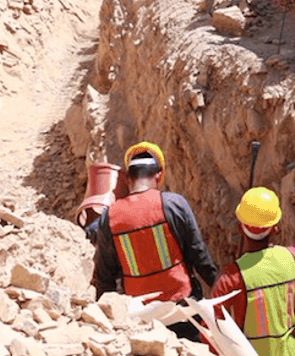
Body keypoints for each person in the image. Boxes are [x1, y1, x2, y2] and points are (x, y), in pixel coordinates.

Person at [92, 142, 218, 342]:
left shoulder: (110, 216)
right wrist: (221, 290)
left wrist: (105, 318)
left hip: (138, 314)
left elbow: (105, 274)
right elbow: (199, 255)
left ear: (126, 179)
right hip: (181, 307)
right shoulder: (174, 204)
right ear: (159, 176)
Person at [211, 187, 295, 356]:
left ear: (240, 227)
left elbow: (209, 328)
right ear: (274, 228)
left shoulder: (231, 276)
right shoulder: (294, 259)